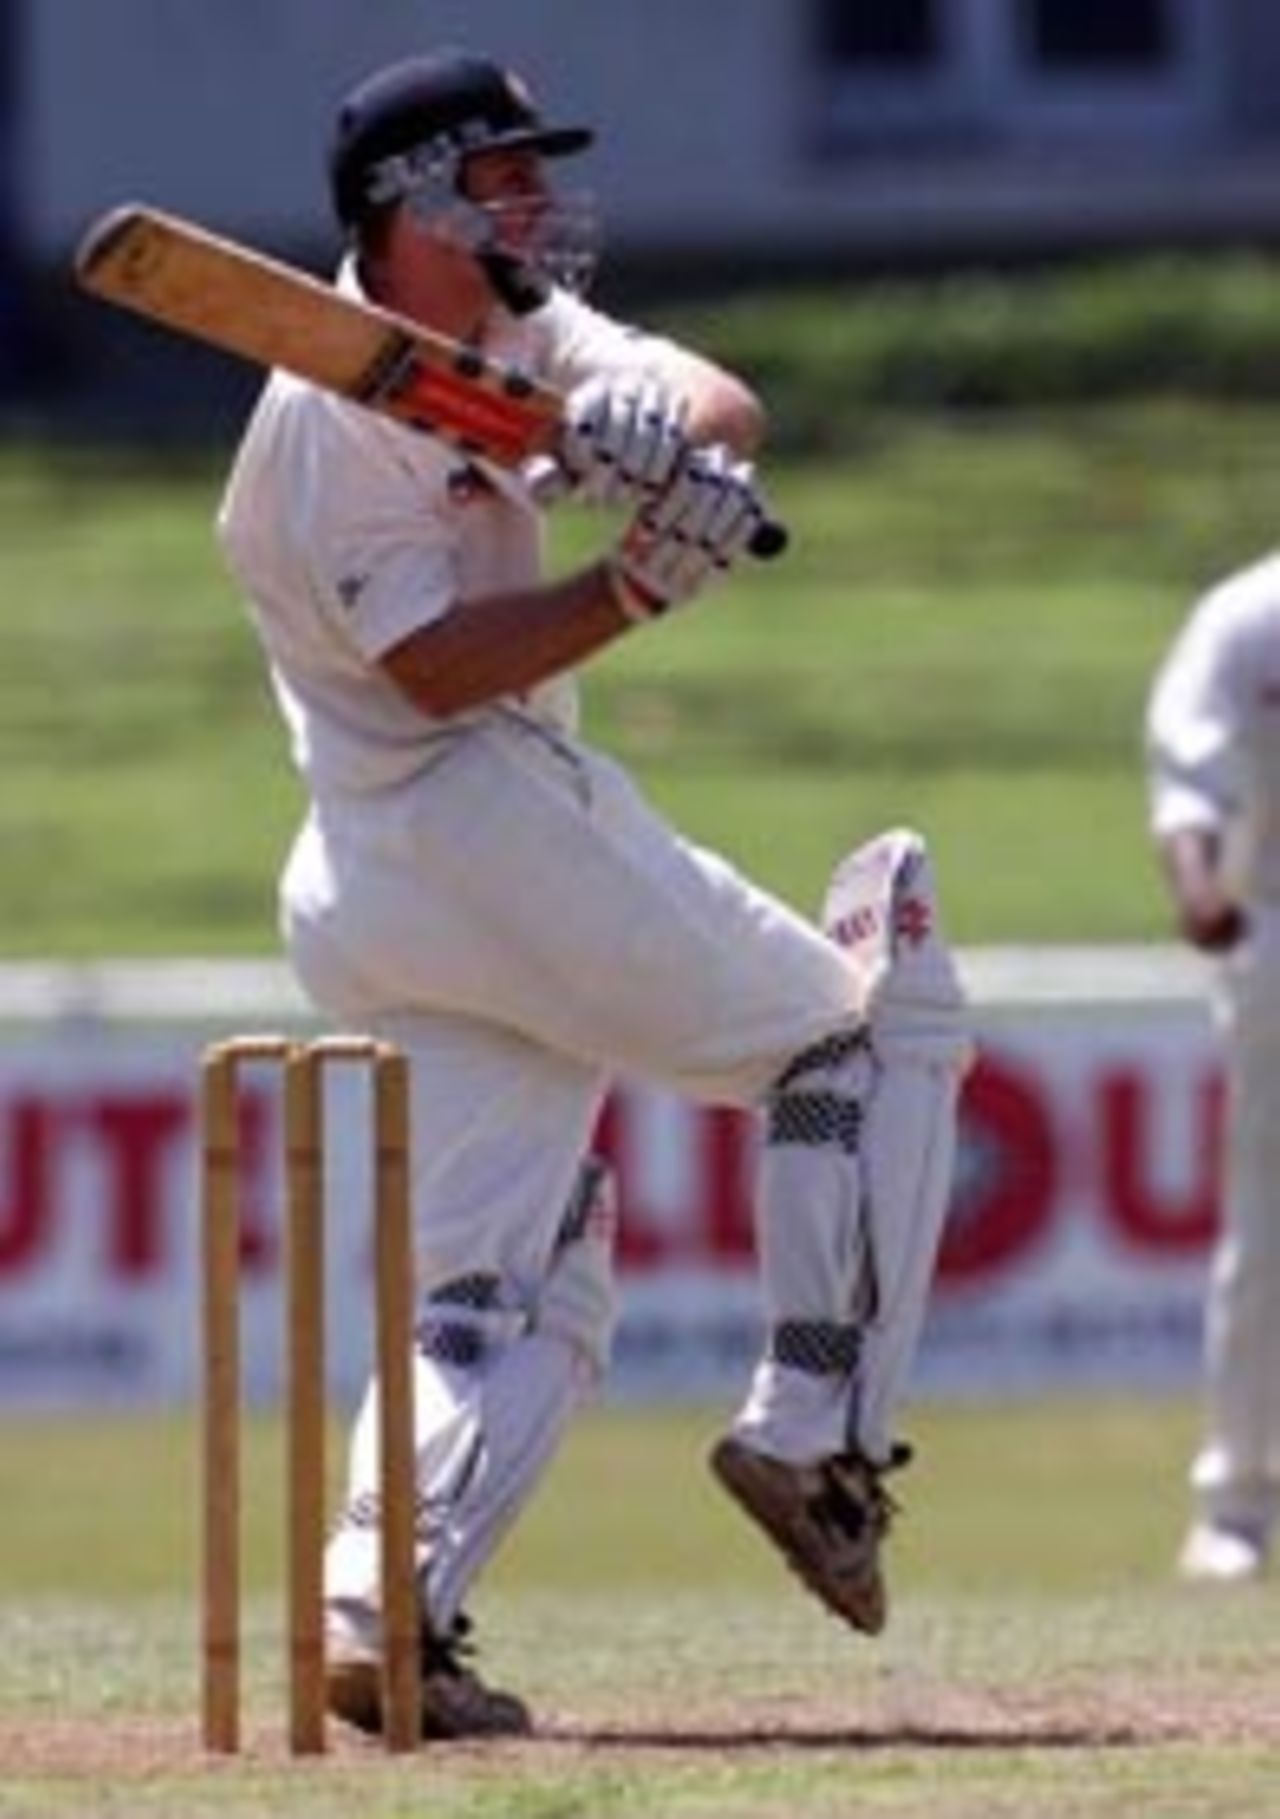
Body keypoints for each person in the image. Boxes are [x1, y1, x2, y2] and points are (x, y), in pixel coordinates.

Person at [217, 47, 972, 1739]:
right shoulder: (321, 422)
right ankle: (812, 1430)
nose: (538, 209)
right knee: (855, 1036)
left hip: (389, 887)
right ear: (416, 207)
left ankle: (375, 1606)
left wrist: (649, 428)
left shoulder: (510, 328)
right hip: (464, 812)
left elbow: (722, 400)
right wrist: (633, 579)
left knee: (510, 1282)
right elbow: (431, 669)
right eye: (504, 181)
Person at [1146, 554, 1280, 1585]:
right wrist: (1195, 885)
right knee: (1266, 1228)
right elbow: (1188, 772)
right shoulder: (1247, 615)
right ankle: (1235, 1502)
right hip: (1272, 930)